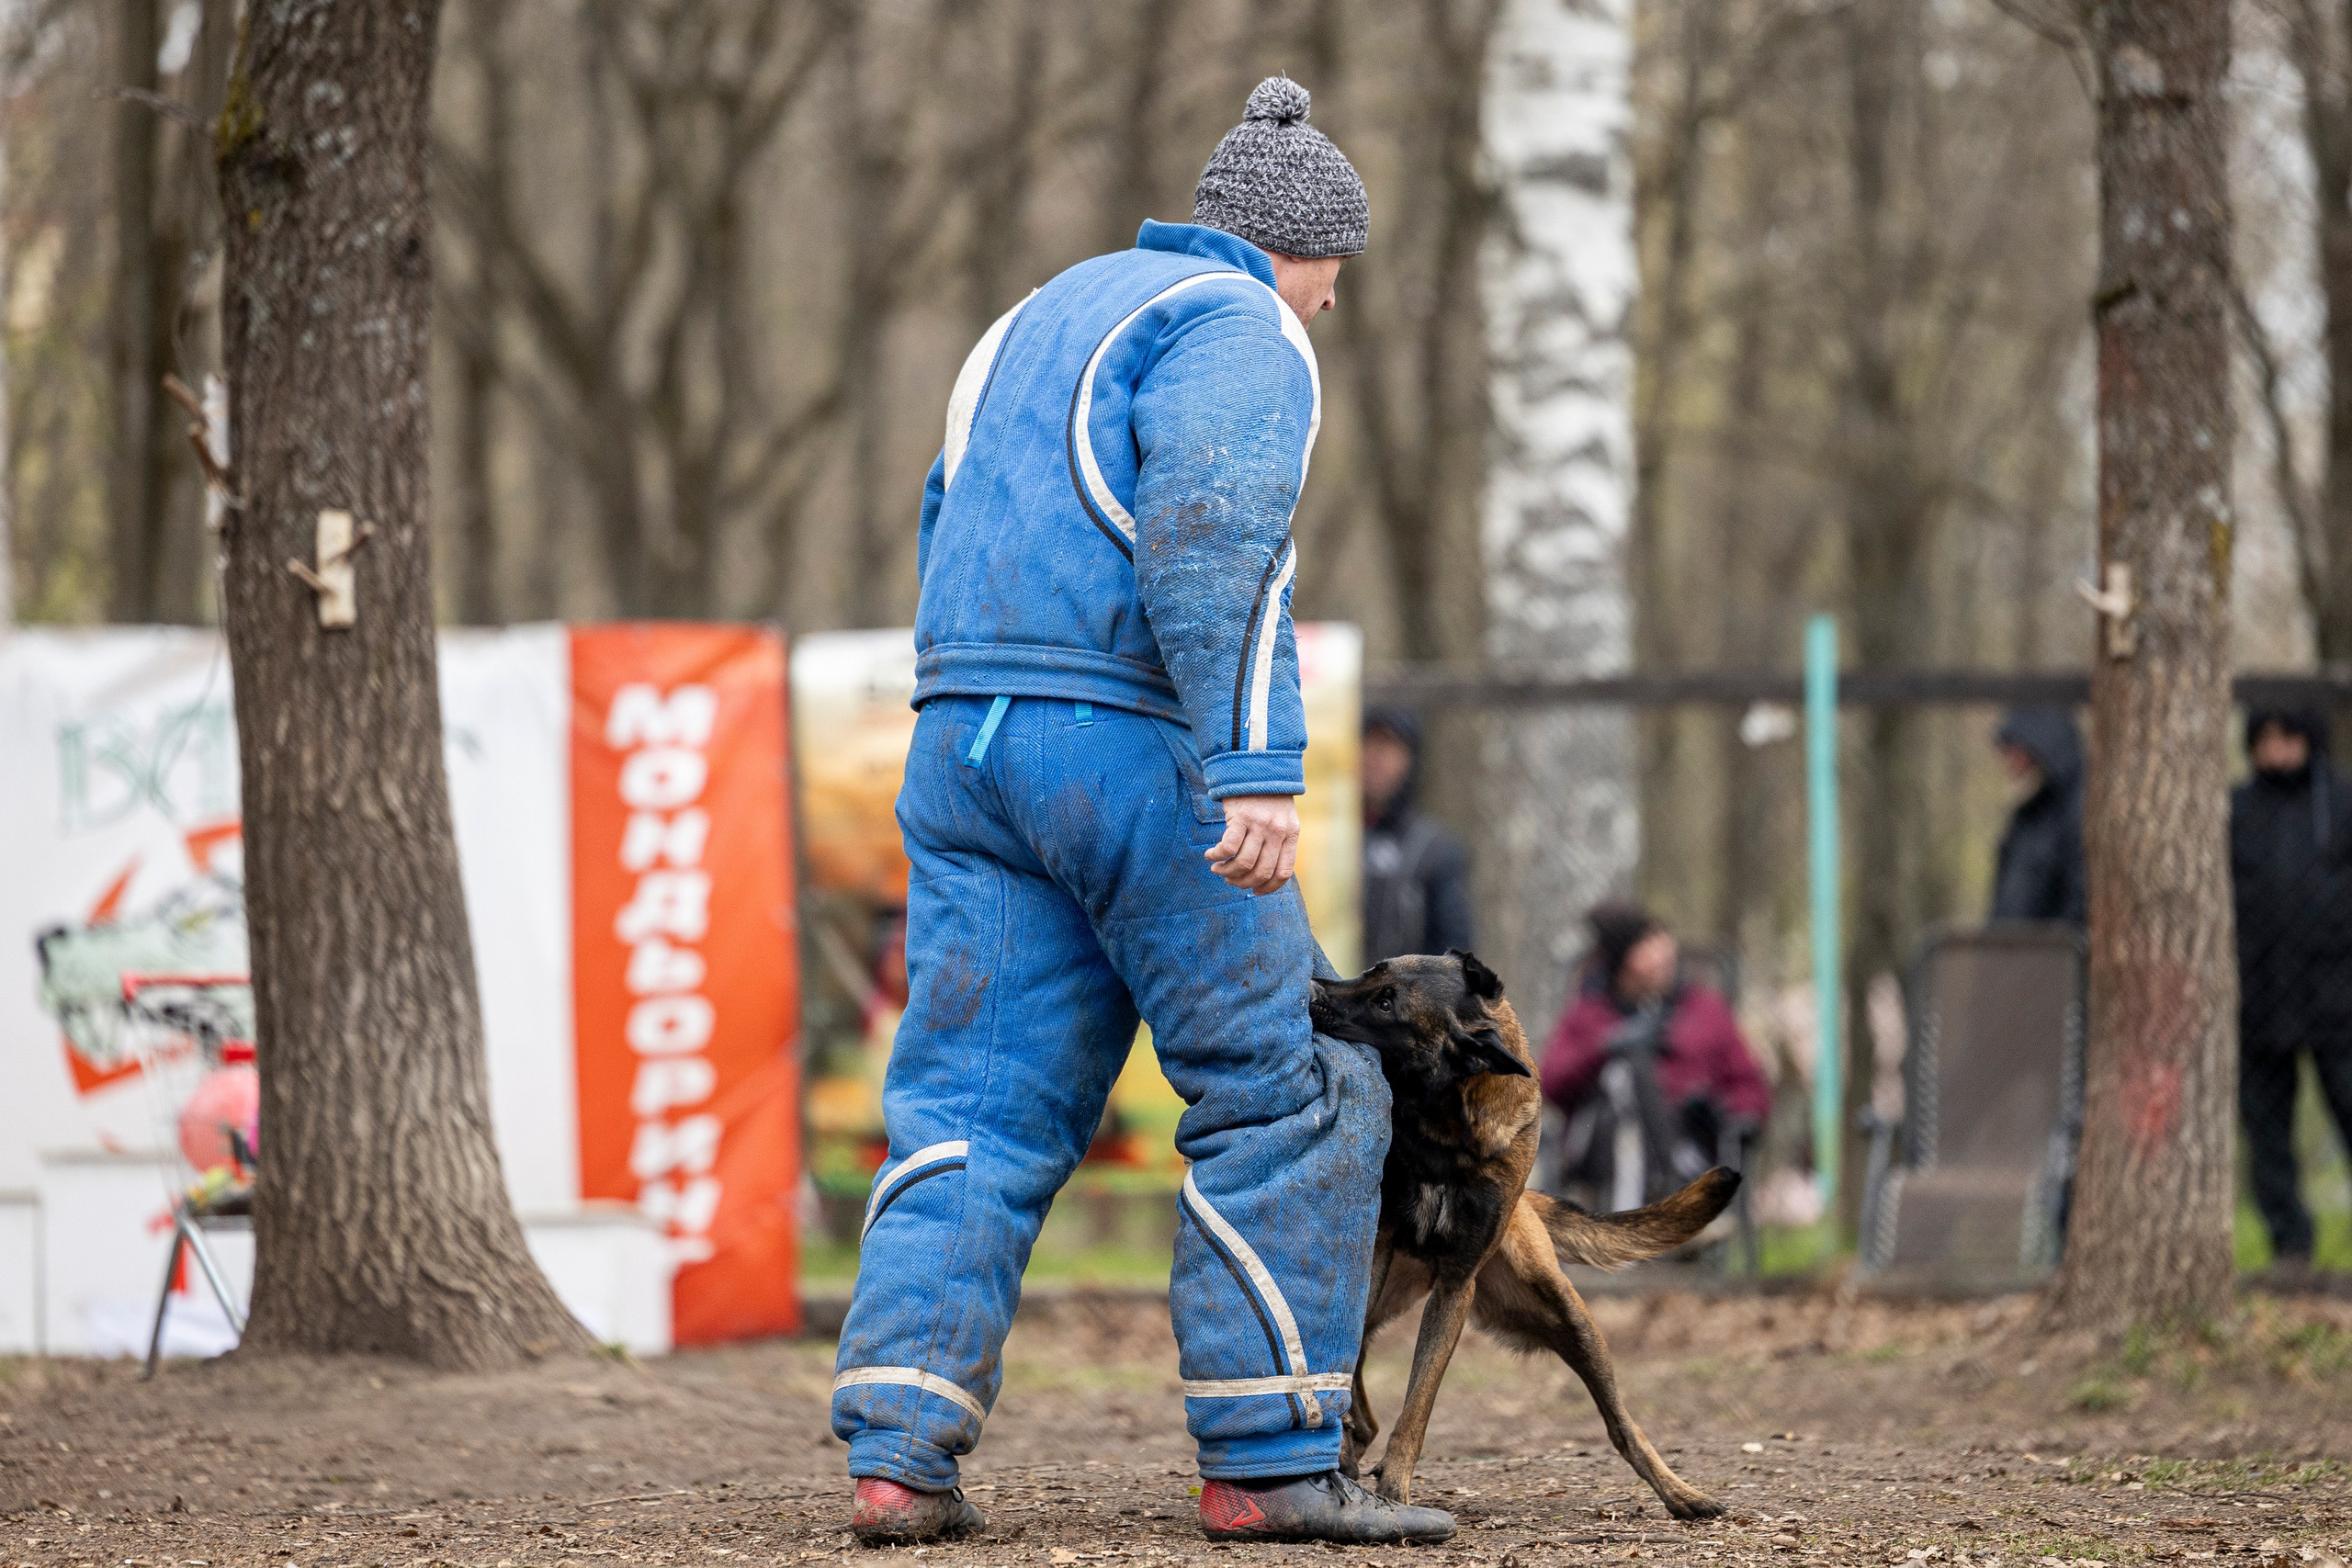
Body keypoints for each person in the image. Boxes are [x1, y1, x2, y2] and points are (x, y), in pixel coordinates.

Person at [831, 78, 1453, 1548]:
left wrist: (969, 703)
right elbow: (1213, 532)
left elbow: (944, 513)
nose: (1335, 296)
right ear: (1281, 247)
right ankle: (1270, 1456)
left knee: (972, 1105)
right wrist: (1254, 766)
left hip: (960, 734)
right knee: (1283, 1085)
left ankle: (897, 1450)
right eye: (1332, 265)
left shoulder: (1031, 320)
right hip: (1126, 745)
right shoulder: (1240, 327)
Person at [1539, 905, 1770, 1210]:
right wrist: (1606, 1048)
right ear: (1622, 962)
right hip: (1601, 1154)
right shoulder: (1589, 1016)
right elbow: (1550, 1083)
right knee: (1626, 1075)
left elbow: (1750, 1085)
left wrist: (1726, 1113)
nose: (1663, 954)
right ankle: (1663, 1190)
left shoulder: (1705, 1010)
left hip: (1694, 1142)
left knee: (1640, 1081)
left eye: (1662, 939)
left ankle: (1662, 1190)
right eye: (1645, 947)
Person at [2232, 706, 2352, 1270]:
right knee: (2267, 1133)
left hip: (2337, 1002)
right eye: (2266, 740)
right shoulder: (2236, 811)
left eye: (2288, 739)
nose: (2277, 752)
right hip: (2258, 1003)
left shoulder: (2340, 805)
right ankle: (2290, 1248)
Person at [1360, 706, 1474, 962]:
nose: (1376, 758)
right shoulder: (1319, 839)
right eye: (1369, 744)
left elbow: (1454, 957)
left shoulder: (1435, 850)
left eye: (1390, 747)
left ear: (1410, 759)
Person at [1990, 706, 2086, 924]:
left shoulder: (2078, 812)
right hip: (2014, 951)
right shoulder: (2029, 815)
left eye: (2013, 749)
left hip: (2052, 953)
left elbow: (2079, 900)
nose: (2008, 760)